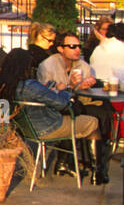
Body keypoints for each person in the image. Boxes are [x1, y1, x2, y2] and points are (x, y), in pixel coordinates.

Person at [0, 47, 98, 176]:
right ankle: (96, 170)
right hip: (47, 128)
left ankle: (65, 162)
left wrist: (49, 89)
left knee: (72, 120)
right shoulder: (30, 85)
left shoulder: (3, 84)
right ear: (25, 67)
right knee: (92, 122)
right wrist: (66, 90)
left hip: (25, 129)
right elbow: (62, 104)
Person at [38, 31, 113, 183]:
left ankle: (84, 163)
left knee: (104, 111)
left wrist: (86, 85)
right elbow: (48, 94)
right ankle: (95, 168)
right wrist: (71, 86)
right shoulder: (48, 66)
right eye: (72, 46)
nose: (77, 49)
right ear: (61, 49)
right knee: (93, 117)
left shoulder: (83, 65)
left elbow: (84, 94)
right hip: (54, 109)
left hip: (76, 104)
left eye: (79, 46)